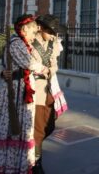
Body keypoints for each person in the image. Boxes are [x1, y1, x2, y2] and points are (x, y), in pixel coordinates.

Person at [0, 14, 50, 173]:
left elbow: (37, 59)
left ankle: (16, 164)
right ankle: (6, 165)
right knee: (10, 128)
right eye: (33, 29)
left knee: (21, 128)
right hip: (15, 91)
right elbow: (30, 63)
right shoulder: (16, 44)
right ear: (25, 29)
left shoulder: (26, 44)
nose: (36, 32)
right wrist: (44, 69)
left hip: (23, 88)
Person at [29, 14, 69, 172]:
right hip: (35, 90)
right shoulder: (31, 41)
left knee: (49, 125)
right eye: (50, 31)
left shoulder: (52, 43)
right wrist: (41, 70)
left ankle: (33, 151)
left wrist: (49, 70)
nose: (53, 35)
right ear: (41, 28)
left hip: (49, 88)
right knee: (38, 128)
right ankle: (35, 163)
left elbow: (54, 64)